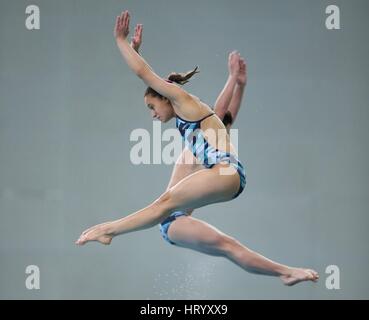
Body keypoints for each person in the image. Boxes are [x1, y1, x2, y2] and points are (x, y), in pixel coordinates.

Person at [76, 11, 319, 286]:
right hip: (187, 213)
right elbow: (222, 117)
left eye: (152, 107)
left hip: (222, 178)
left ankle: (108, 229)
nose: (152, 115)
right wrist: (236, 83)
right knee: (225, 244)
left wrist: (121, 42)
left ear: (166, 96)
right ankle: (285, 272)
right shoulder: (196, 136)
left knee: (171, 208)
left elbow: (145, 73)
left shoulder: (183, 101)